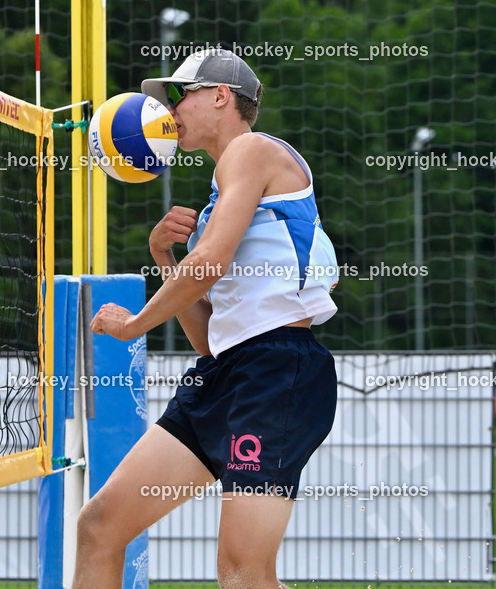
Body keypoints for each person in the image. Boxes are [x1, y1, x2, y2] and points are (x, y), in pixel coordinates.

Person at [75, 48, 339, 588]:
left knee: (243, 574)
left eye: (180, 94)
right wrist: (165, 258)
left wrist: (132, 326)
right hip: (226, 374)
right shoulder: (216, 210)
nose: (169, 109)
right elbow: (206, 340)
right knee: (99, 527)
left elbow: (209, 265)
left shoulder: (252, 150)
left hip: (278, 372)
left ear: (221, 97)